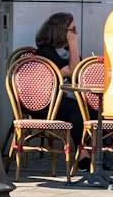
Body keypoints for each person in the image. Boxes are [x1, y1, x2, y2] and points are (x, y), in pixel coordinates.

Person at [28, 11, 84, 148]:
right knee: (78, 111)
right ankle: (83, 154)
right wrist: (73, 44)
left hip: (59, 99)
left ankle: (108, 151)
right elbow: (73, 71)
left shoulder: (63, 51)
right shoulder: (46, 52)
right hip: (43, 104)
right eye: (73, 30)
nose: (75, 34)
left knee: (96, 109)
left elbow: (79, 73)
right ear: (62, 31)